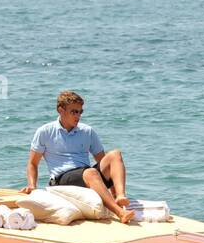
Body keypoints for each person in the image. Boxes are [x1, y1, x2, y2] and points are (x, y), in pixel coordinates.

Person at [23, 90, 133, 224]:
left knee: (115, 154)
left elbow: (105, 163)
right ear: (61, 110)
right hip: (61, 178)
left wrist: (113, 191)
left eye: (80, 112)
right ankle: (120, 212)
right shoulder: (45, 132)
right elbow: (32, 163)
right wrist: (31, 186)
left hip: (87, 175)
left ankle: (119, 197)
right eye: (74, 111)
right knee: (91, 172)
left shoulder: (87, 131)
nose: (78, 116)